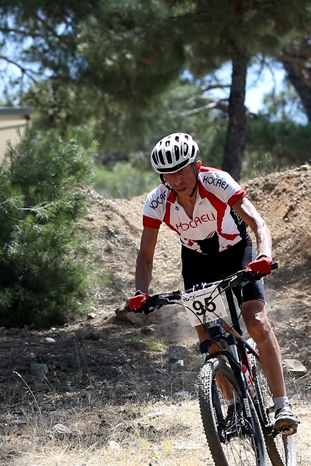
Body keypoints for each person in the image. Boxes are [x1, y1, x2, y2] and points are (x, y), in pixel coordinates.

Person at [127, 132, 298, 435]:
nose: (177, 180)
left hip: (237, 251)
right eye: (169, 174)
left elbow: (258, 222)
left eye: (182, 170)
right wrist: (141, 291)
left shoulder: (218, 181)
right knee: (212, 341)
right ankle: (234, 407)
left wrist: (263, 255)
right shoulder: (156, 202)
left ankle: (282, 404)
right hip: (197, 261)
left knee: (255, 321)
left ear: (197, 166)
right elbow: (146, 255)